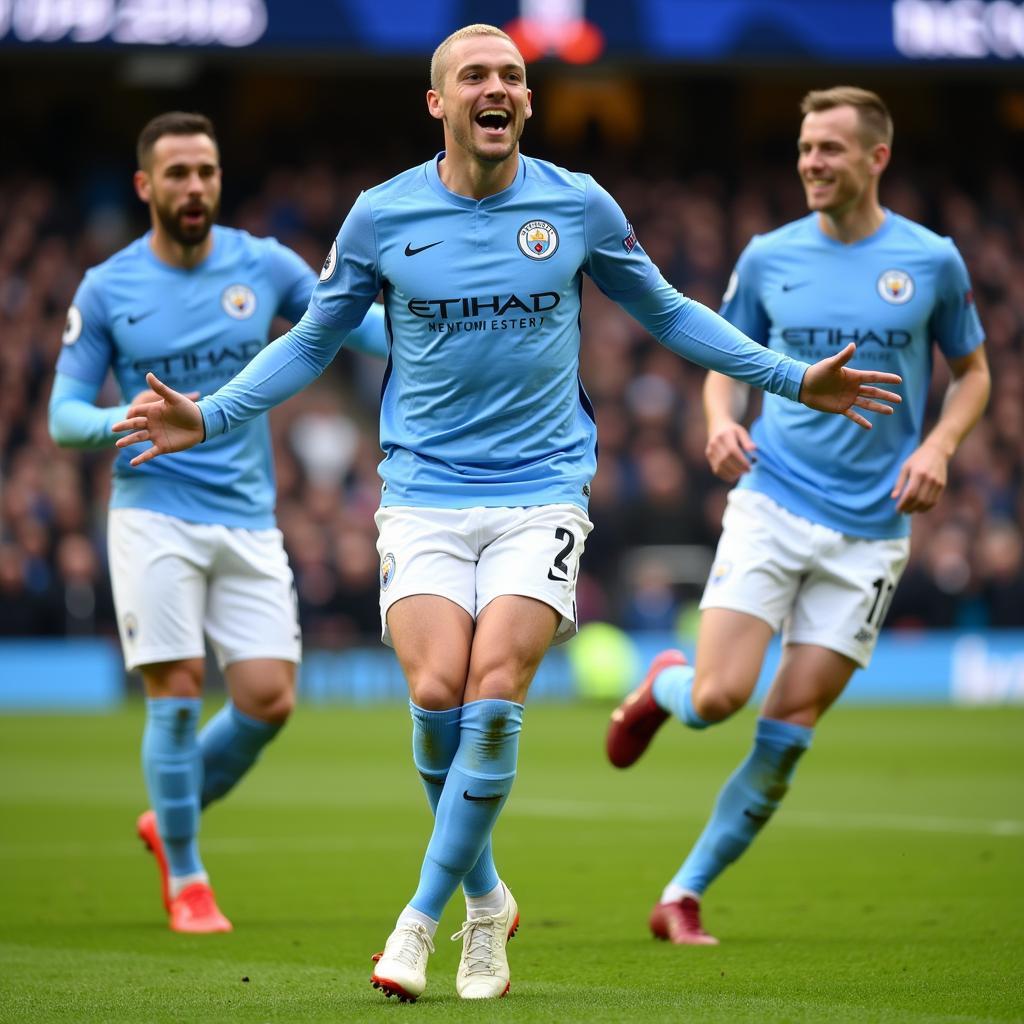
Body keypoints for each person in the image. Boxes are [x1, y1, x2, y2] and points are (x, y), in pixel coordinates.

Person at [110, 39, 901, 998]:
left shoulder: (577, 204)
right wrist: (215, 412)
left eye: (514, 77)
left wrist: (787, 378)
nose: (499, 88)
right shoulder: (381, 215)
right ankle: (486, 898)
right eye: (476, 77)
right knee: (438, 690)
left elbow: (669, 312)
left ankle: (421, 921)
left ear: (527, 101)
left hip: (542, 493)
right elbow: (315, 338)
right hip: (422, 498)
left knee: (492, 688)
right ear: (437, 101)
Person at [606, 86, 989, 946]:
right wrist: (718, 423)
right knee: (716, 700)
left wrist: (939, 448)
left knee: (786, 736)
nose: (811, 162)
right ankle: (663, 686)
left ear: (876, 158)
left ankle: (683, 895)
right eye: (806, 147)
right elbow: (718, 356)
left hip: (873, 531)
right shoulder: (769, 255)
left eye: (830, 149)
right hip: (774, 501)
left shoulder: (932, 262)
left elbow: (974, 374)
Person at [48, 112, 388, 934]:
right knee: (176, 692)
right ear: (146, 186)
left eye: (205, 171)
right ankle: (189, 876)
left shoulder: (263, 264)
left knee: (269, 700)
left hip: (247, 517)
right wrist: (121, 423)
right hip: (152, 511)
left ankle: (168, 816)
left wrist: (433, 332)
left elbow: (348, 323)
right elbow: (63, 415)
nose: (194, 186)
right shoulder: (107, 287)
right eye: (177, 174)